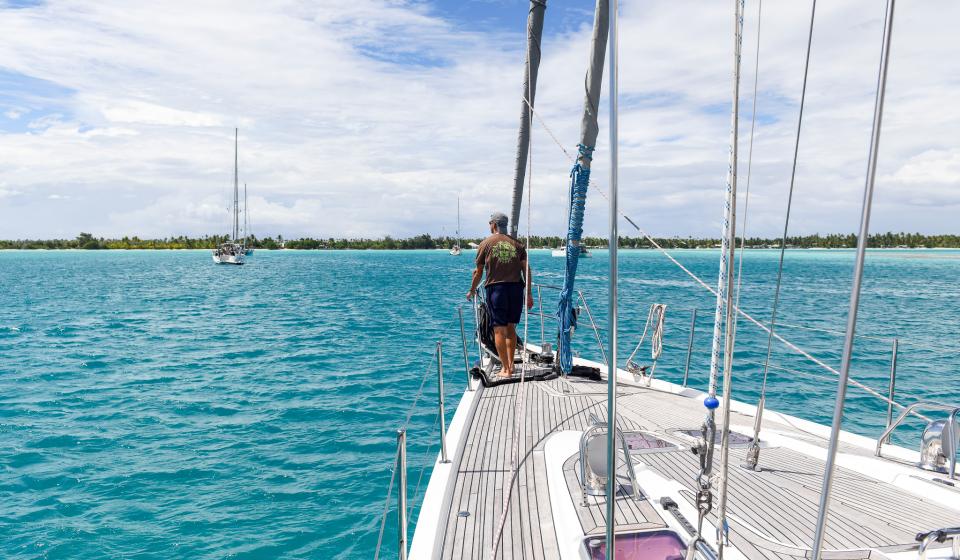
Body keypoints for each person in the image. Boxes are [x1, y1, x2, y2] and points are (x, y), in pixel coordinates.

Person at [466, 212, 533, 378]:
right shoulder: (517, 244)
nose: (489, 226)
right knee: (511, 329)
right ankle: (511, 366)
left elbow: (479, 272)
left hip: (496, 290)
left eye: (490, 223)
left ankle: (505, 369)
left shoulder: (485, 244)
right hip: (516, 289)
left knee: (499, 331)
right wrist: (529, 294)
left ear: (494, 224)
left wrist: (472, 290)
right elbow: (527, 270)